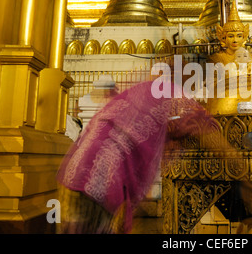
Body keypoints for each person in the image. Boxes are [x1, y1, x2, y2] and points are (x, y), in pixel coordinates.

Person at [56, 80, 225, 234]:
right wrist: (238, 168)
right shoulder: (177, 100)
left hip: (72, 176)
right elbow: (207, 128)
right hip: (99, 188)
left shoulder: (141, 95)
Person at [209, 1, 250, 65]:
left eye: (239, 36)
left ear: (244, 38)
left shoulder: (249, 58)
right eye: (230, 36)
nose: (235, 40)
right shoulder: (217, 59)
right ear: (223, 38)